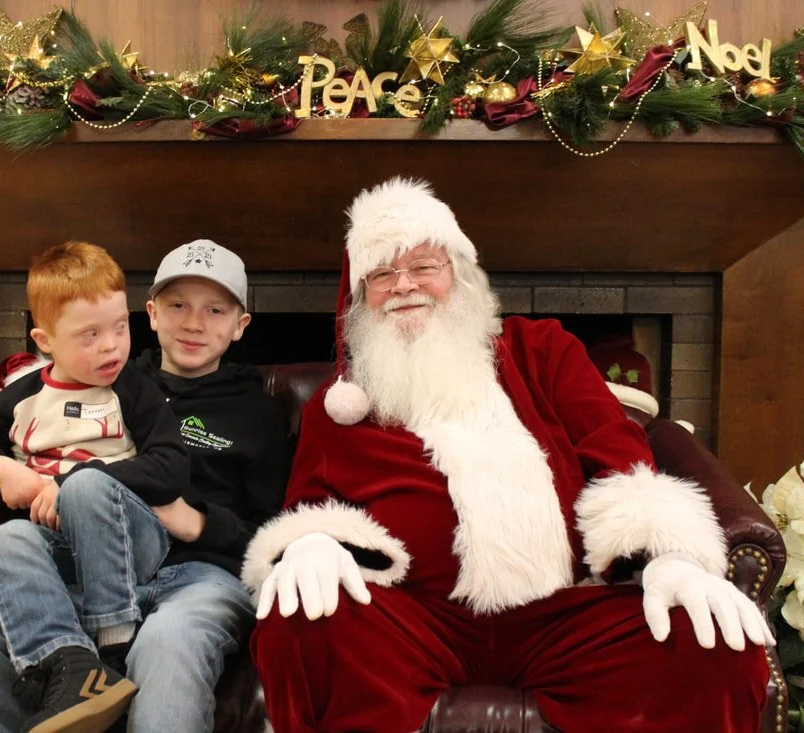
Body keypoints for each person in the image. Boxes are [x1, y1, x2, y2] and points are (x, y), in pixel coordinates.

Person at [242, 177, 774, 733]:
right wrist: (312, 545)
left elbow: (617, 448)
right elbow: (309, 503)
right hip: (414, 621)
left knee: (710, 644)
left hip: (562, 614)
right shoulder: (341, 405)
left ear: (460, 276)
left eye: (424, 265)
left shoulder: (544, 350)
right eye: (381, 273)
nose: (404, 286)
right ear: (359, 299)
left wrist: (667, 555)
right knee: (299, 617)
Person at [0, 239, 290, 733]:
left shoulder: (261, 413)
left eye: (215, 310)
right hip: (82, 568)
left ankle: (111, 656)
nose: (193, 323)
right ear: (150, 313)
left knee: (169, 637)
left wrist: (199, 523)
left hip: (199, 577)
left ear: (239, 325)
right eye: (178, 305)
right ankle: (75, 678)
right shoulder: (106, 374)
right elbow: (12, 422)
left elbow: (273, 538)